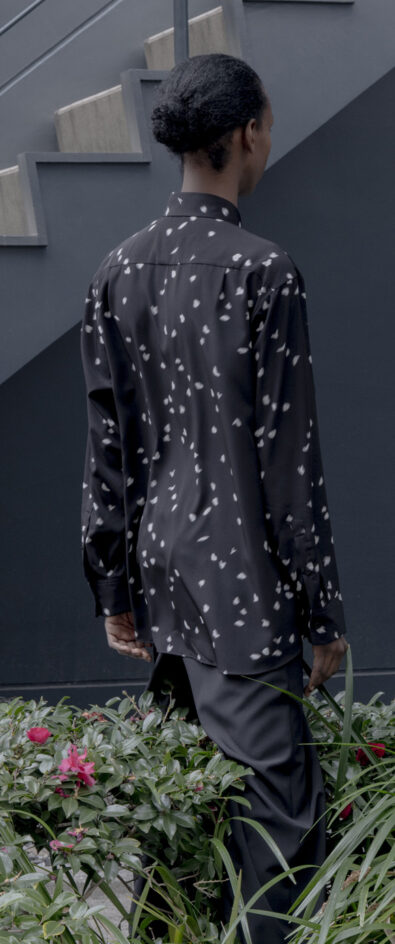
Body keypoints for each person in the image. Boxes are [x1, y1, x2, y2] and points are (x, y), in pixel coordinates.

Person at [79, 53, 348, 942]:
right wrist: (322, 613)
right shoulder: (263, 271)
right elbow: (287, 463)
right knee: (278, 827)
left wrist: (111, 586)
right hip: (241, 587)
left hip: (163, 577)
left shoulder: (118, 268)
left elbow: (107, 445)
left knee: (187, 816)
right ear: (246, 133)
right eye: (266, 124)